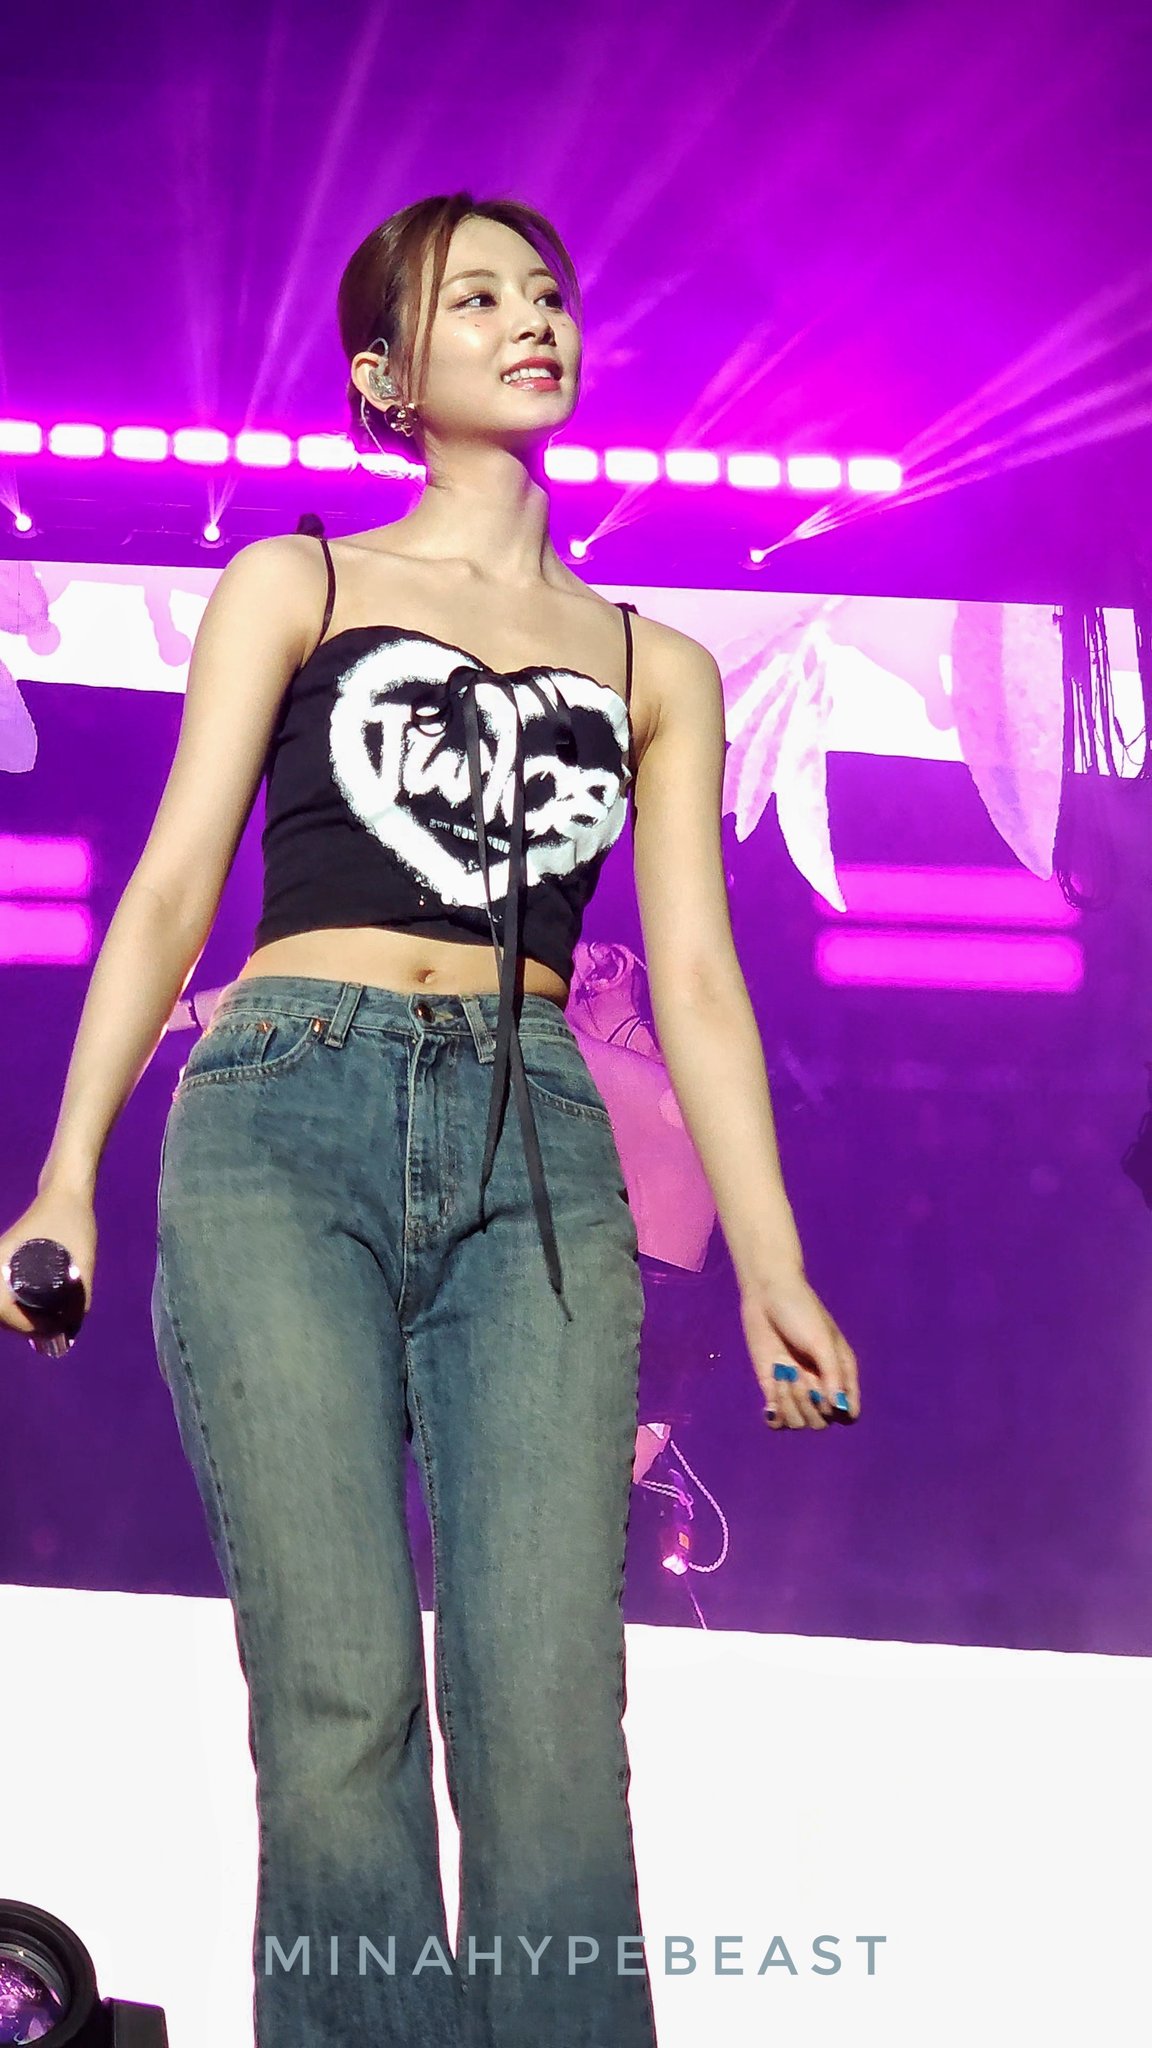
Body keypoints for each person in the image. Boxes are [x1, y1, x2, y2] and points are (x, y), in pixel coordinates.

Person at [0, 190, 861, 2048]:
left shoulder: (655, 665)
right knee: (337, 1699)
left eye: (545, 292)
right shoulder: (298, 583)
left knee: (547, 1713)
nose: (530, 318)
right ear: (388, 372)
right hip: (281, 1106)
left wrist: (774, 1265)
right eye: (476, 298)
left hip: (536, 1136)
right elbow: (171, 893)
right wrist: (66, 1170)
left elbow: (701, 987)